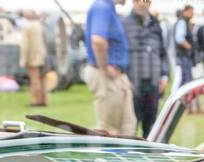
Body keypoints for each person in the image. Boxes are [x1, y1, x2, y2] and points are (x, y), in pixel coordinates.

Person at [83, 0, 134, 137]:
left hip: (115, 75)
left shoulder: (108, 8)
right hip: (106, 74)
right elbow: (98, 40)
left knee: (127, 130)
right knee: (110, 132)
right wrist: (105, 68)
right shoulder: (102, 6)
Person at [123, 0, 167, 136]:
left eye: (145, 1)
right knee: (130, 126)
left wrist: (164, 76)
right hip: (132, 83)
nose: (141, 4)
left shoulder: (156, 25)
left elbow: (162, 53)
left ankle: (150, 153)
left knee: (151, 126)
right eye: (137, 1)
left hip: (153, 84)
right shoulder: (124, 24)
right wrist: (123, 77)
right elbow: (119, 52)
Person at [19, 9, 47, 107]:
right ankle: (43, 99)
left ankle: (36, 100)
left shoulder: (27, 27)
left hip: (32, 56)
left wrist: (23, 60)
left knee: (34, 80)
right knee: (42, 79)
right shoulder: (40, 25)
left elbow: (24, 44)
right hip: (42, 56)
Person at [171, 5, 194, 89]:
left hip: (182, 56)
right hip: (182, 56)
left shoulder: (183, 21)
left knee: (183, 80)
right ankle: (174, 99)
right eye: (191, 12)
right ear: (186, 11)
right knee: (180, 80)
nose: (192, 14)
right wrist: (189, 47)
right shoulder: (182, 22)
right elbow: (179, 39)